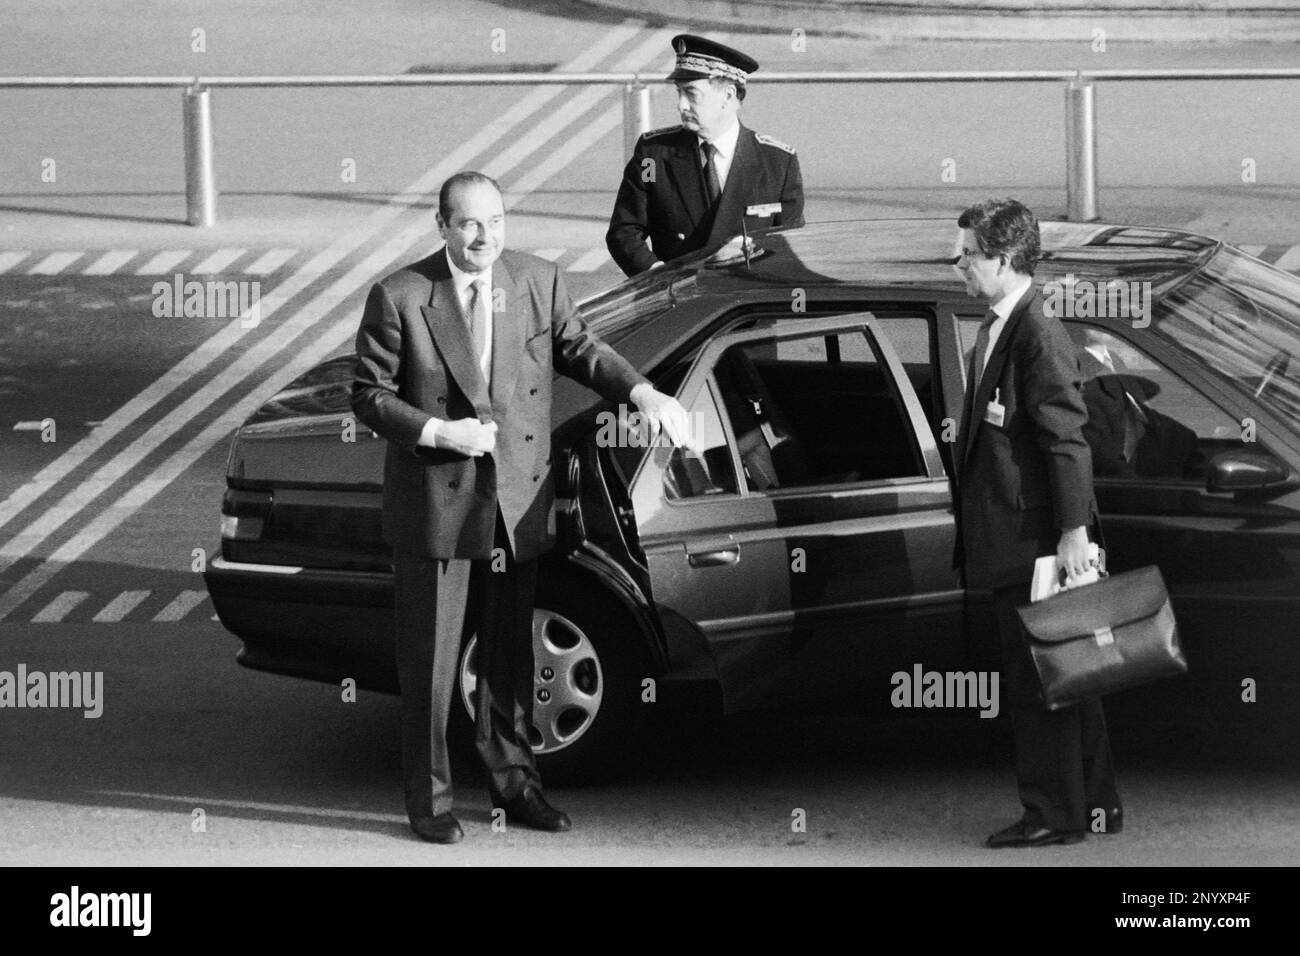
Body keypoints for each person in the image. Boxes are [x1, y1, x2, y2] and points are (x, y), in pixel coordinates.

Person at [352, 171, 689, 844]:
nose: (486, 237)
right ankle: (430, 801)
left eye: (497, 222)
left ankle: (514, 784)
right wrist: (438, 432)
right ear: (442, 226)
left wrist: (644, 394)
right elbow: (367, 393)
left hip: (515, 498)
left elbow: (582, 350)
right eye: (471, 224)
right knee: (433, 662)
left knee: (509, 656)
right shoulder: (401, 295)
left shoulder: (536, 280)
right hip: (436, 501)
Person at [951, 198, 1122, 848]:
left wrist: (1074, 534)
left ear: (1001, 257)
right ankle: (1096, 803)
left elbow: (1066, 439)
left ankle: (1052, 814)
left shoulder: (1035, 330)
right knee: (1073, 672)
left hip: (1037, 545)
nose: (959, 263)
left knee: (1039, 685)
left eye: (967, 253)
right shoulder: (1003, 321)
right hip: (1021, 537)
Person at [606, 34, 804, 277]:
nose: (681, 105)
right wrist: (659, 278)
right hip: (682, 304)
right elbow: (624, 232)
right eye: (679, 92)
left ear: (728, 96)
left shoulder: (777, 162)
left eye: (691, 94)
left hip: (744, 307)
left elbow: (792, 246)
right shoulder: (654, 155)